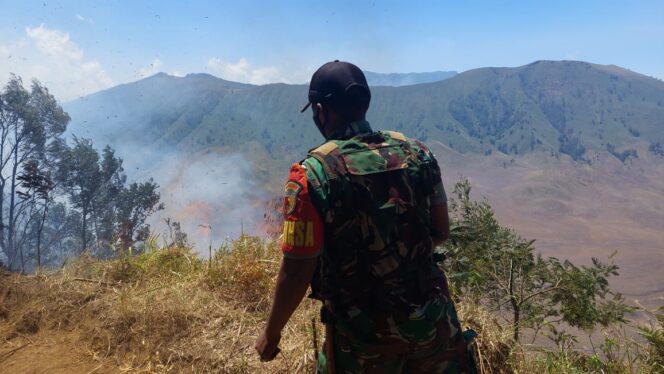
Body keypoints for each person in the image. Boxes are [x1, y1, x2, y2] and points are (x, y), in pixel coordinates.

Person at [255, 60, 475, 373]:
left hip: (363, 340)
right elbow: (441, 230)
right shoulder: (419, 153)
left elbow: (297, 270)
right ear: (365, 103)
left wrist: (271, 333)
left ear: (319, 111)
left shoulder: (311, 176)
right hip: (433, 325)